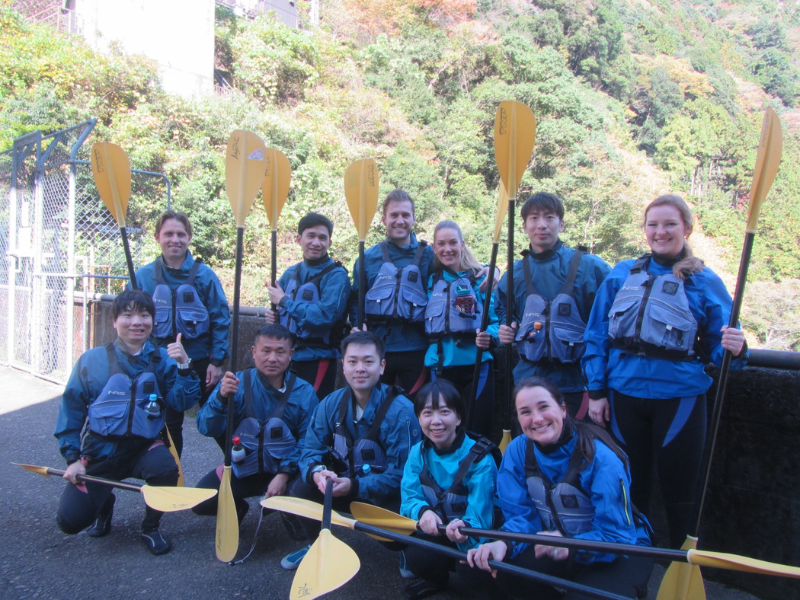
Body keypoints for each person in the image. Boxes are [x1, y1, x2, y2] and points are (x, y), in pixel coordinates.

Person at [582, 193, 747, 549]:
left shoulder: (704, 280)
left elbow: (721, 347)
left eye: (670, 224)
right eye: (653, 224)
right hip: (623, 394)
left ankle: (680, 565)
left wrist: (736, 348)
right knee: (629, 484)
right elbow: (596, 334)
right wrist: (596, 391)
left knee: (680, 488)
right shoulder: (622, 274)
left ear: (686, 228)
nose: (661, 232)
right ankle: (631, 562)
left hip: (679, 398)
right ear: (644, 230)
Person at [466, 377, 653, 600]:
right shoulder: (517, 451)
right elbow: (522, 517)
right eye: (526, 412)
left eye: (544, 407)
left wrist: (571, 544)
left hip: (620, 549)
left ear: (563, 409)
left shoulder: (601, 459)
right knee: (497, 569)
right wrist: (504, 543)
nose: (537, 419)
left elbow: (616, 536)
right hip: (557, 543)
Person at [54, 290, 201, 555]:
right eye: (128, 315)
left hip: (144, 447)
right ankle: (104, 503)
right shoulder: (91, 360)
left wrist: (184, 365)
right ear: (114, 321)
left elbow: (181, 402)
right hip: (101, 451)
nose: (137, 322)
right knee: (69, 521)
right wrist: (72, 459)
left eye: (144, 315)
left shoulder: (165, 360)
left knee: (166, 468)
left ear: (153, 321)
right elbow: (71, 410)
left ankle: (150, 526)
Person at [281, 331, 422, 570]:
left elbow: (404, 475)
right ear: (343, 365)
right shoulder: (331, 403)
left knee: (399, 524)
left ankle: (407, 550)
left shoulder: (402, 411)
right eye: (353, 361)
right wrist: (317, 473)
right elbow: (310, 450)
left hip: (384, 494)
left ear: (382, 366)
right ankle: (315, 543)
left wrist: (356, 486)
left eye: (368, 361)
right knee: (301, 487)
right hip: (341, 485)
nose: (360, 369)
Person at [192, 324, 318, 533]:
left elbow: (309, 441)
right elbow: (206, 427)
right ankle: (238, 508)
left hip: (286, 470)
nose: (272, 358)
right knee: (200, 502)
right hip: (244, 467)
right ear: (254, 352)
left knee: (308, 492)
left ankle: (287, 511)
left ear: (291, 355)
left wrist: (284, 475)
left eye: (280, 352)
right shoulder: (235, 383)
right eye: (266, 351)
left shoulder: (304, 392)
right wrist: (221, 398)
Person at [495, 193, 610, 419]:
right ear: (524, 226)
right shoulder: (514, 273)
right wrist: (508, 327)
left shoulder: (591, 267)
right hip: (529, 381)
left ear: (561, 224)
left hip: (578, 381)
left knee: (578, 440)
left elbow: (610, 316)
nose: (542, 225)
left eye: (549, 217)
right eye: (534, 218)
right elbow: (502, 310)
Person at [134, 210, 231, 456]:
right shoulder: (143, 277)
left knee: (218, 418)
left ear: (189, 237)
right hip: (161, 362)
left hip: (200, 361)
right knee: (168, 425)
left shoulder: (205, 275)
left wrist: (217, 362)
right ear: (157, 237)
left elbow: (220, 318)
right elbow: (131, 318)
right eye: (168, 234)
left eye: (180, 234)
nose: (174, 239)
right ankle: (171, 475)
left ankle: (239, 470)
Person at [400, 379, 500, 600]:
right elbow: (409, 498)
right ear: (419, 418)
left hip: (473, 536)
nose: (436, 421)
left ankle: (495, 592)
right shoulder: (418, 453)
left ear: (458, 418)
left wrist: (465, 528)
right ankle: (436, 580)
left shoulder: (480, 459)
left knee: (471, 568)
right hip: (439, 531)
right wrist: (423, 512)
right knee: (416, 551)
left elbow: (482, 517)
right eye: (427, 413)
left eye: (444, 412)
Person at [349, 189, 435, 397]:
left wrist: (490, 270)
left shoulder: (430, 255)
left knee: (414, 409)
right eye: (394, 215)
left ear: (414, 219)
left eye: (405, 215)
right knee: (376, 409)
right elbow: (356, 299)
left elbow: (458, 267)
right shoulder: (367, 258)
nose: (400, 221)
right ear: (384, 219)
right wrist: (356, 325)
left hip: (417, 349)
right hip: (377, 350)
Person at [424, 221, 499, 437]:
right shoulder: (431, 280)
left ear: (462, 244)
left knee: (477, 431)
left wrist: (490, 337)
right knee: (445, 433)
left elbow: (498, 320)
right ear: (434, 248)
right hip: (440, 366)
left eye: (453, 243)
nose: (447, 249)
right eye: (441, 244)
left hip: (477, 366)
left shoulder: (481, 278)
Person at [264, 212, 350, 400]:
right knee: (284, 410)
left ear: (329, 243)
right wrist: (273, 316)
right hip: (287, 356)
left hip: (318, 358)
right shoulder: (290, 273)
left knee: (312, 411)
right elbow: (278, 308)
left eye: (322, 238)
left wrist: (285, 302)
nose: (316, 243)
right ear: (299, 239)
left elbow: (324, 316)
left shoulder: (337, 276)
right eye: (311, 236)